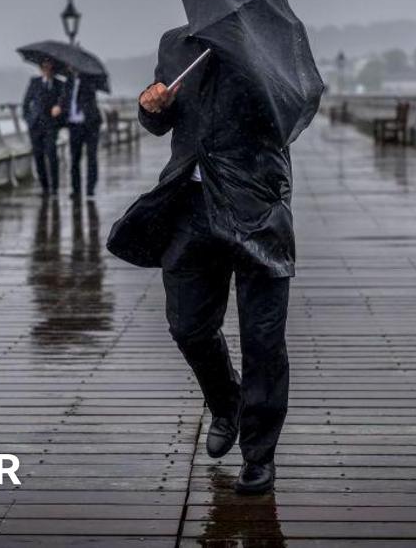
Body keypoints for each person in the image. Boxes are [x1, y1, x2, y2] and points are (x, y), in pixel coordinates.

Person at [107, 27, 296, 495]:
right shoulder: (176, 45)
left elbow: (289, 115)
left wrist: (248, 64)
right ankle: (225, 401)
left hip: (257, 208)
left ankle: (258, 456)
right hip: (190, 206)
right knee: (187, 326)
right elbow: (161, 123)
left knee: (263, 341)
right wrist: (151, 107)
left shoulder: (268, 46)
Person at [21, 60, 65, 196]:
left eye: (50, 67)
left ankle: (55, 188)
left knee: (52, 156)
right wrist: (28, 120)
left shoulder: (59, 84)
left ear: (53, 69)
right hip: (35, 126)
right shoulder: (34, 82)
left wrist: (60, 108)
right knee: (38, 157)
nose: (47, 70)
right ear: (41, 69)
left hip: (51, 126)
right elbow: (26, 103)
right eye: (44, 67)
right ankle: (45, 187)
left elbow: (65, 102)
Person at [64, 71, 103, 198]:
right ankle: (76, 190)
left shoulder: (89, 81)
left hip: (90, 124)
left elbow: (90, 99)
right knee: (74, 159)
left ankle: (90, 189)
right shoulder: (68, 82)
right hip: (74, 125)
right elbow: (65, 100)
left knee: (91, 157)